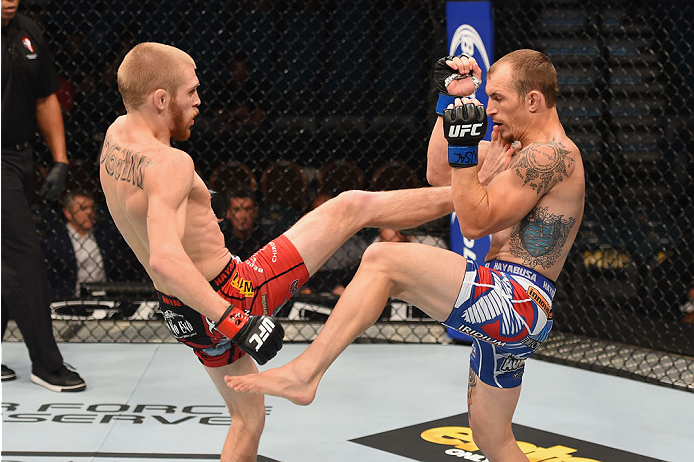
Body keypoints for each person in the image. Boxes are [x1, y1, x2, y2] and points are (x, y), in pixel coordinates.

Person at [100, 42, 454, 462]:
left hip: (181, 310)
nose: (199, 101)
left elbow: (159, 247)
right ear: (161, 99)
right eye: (190, 92)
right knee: (352, 206)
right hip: (231, 294)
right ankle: (472, 195)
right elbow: (165, 257)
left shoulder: (116, 136)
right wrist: (235, 320)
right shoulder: (170, 164)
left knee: (248, 419)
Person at [225, 50, 585, 462]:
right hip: (511, 304)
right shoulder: (516, 150)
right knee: (492, 438)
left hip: (517, 298)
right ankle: (306, 374)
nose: (489, 109)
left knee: (383, 259)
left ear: (534, 101)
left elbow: (473, 222)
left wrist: (468, 153)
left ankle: (307, 373)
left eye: (498, 99)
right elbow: (437, 171)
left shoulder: (551, 156)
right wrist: (449, 103)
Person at [0, 0, 86, 391]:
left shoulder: (28, 30)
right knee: (24, 256)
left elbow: (45, 96)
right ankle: (46, 364)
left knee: (6, 258)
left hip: (20, 157)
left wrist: (60, 160)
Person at [42, 191, 121, 300]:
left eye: (92, 207)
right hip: (69, 299)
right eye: (83, 208)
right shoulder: (55, 241)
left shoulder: (104, 236)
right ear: (68, 213)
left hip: (104, 298)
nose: (90, 212)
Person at [299, 192, 368, 296]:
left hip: (345, 295)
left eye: (328, 213)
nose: (324, 218)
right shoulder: (303, 243)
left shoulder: (354, 244)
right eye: (319, 213)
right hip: (311, 295)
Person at [218, 186, 273, 261]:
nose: (243, 216)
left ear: (255, 212)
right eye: (237, 209)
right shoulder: (220, 241)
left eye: (248, 209)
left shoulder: (266, 242)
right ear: (228, 213)